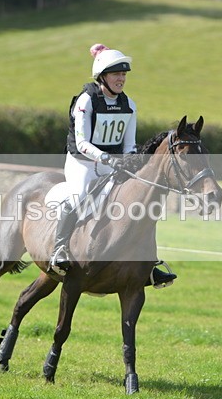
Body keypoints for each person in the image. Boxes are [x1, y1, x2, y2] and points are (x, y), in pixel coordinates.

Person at [49, 43, 177, 288]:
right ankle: (59, 250)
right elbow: (82, 142)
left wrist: (130, 160)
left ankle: (148, 265)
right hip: (82, 162)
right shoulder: (86, 101)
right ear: (102, 76)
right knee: (80, 197)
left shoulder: (129, 105)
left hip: (112, 164)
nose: (122, 79)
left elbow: (129, 145)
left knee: (138, 203)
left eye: (124, 74)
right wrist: (106, 158)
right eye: (117, 74)